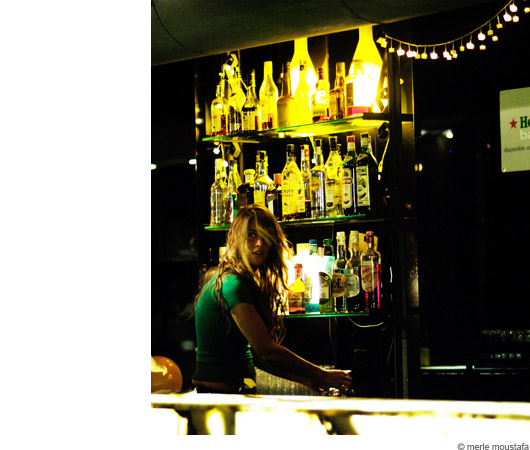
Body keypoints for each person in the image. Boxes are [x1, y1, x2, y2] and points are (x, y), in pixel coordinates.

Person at [192, 204, 352, 394]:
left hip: (224, 394)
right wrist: (323, 375)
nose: (260, 243)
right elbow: (267, 351)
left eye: (266, 236)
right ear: (236, 239)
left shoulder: (231, 280)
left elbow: (257, 355)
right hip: (219, 398)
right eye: (251, 235)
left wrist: (305, 379)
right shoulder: (233, 285)